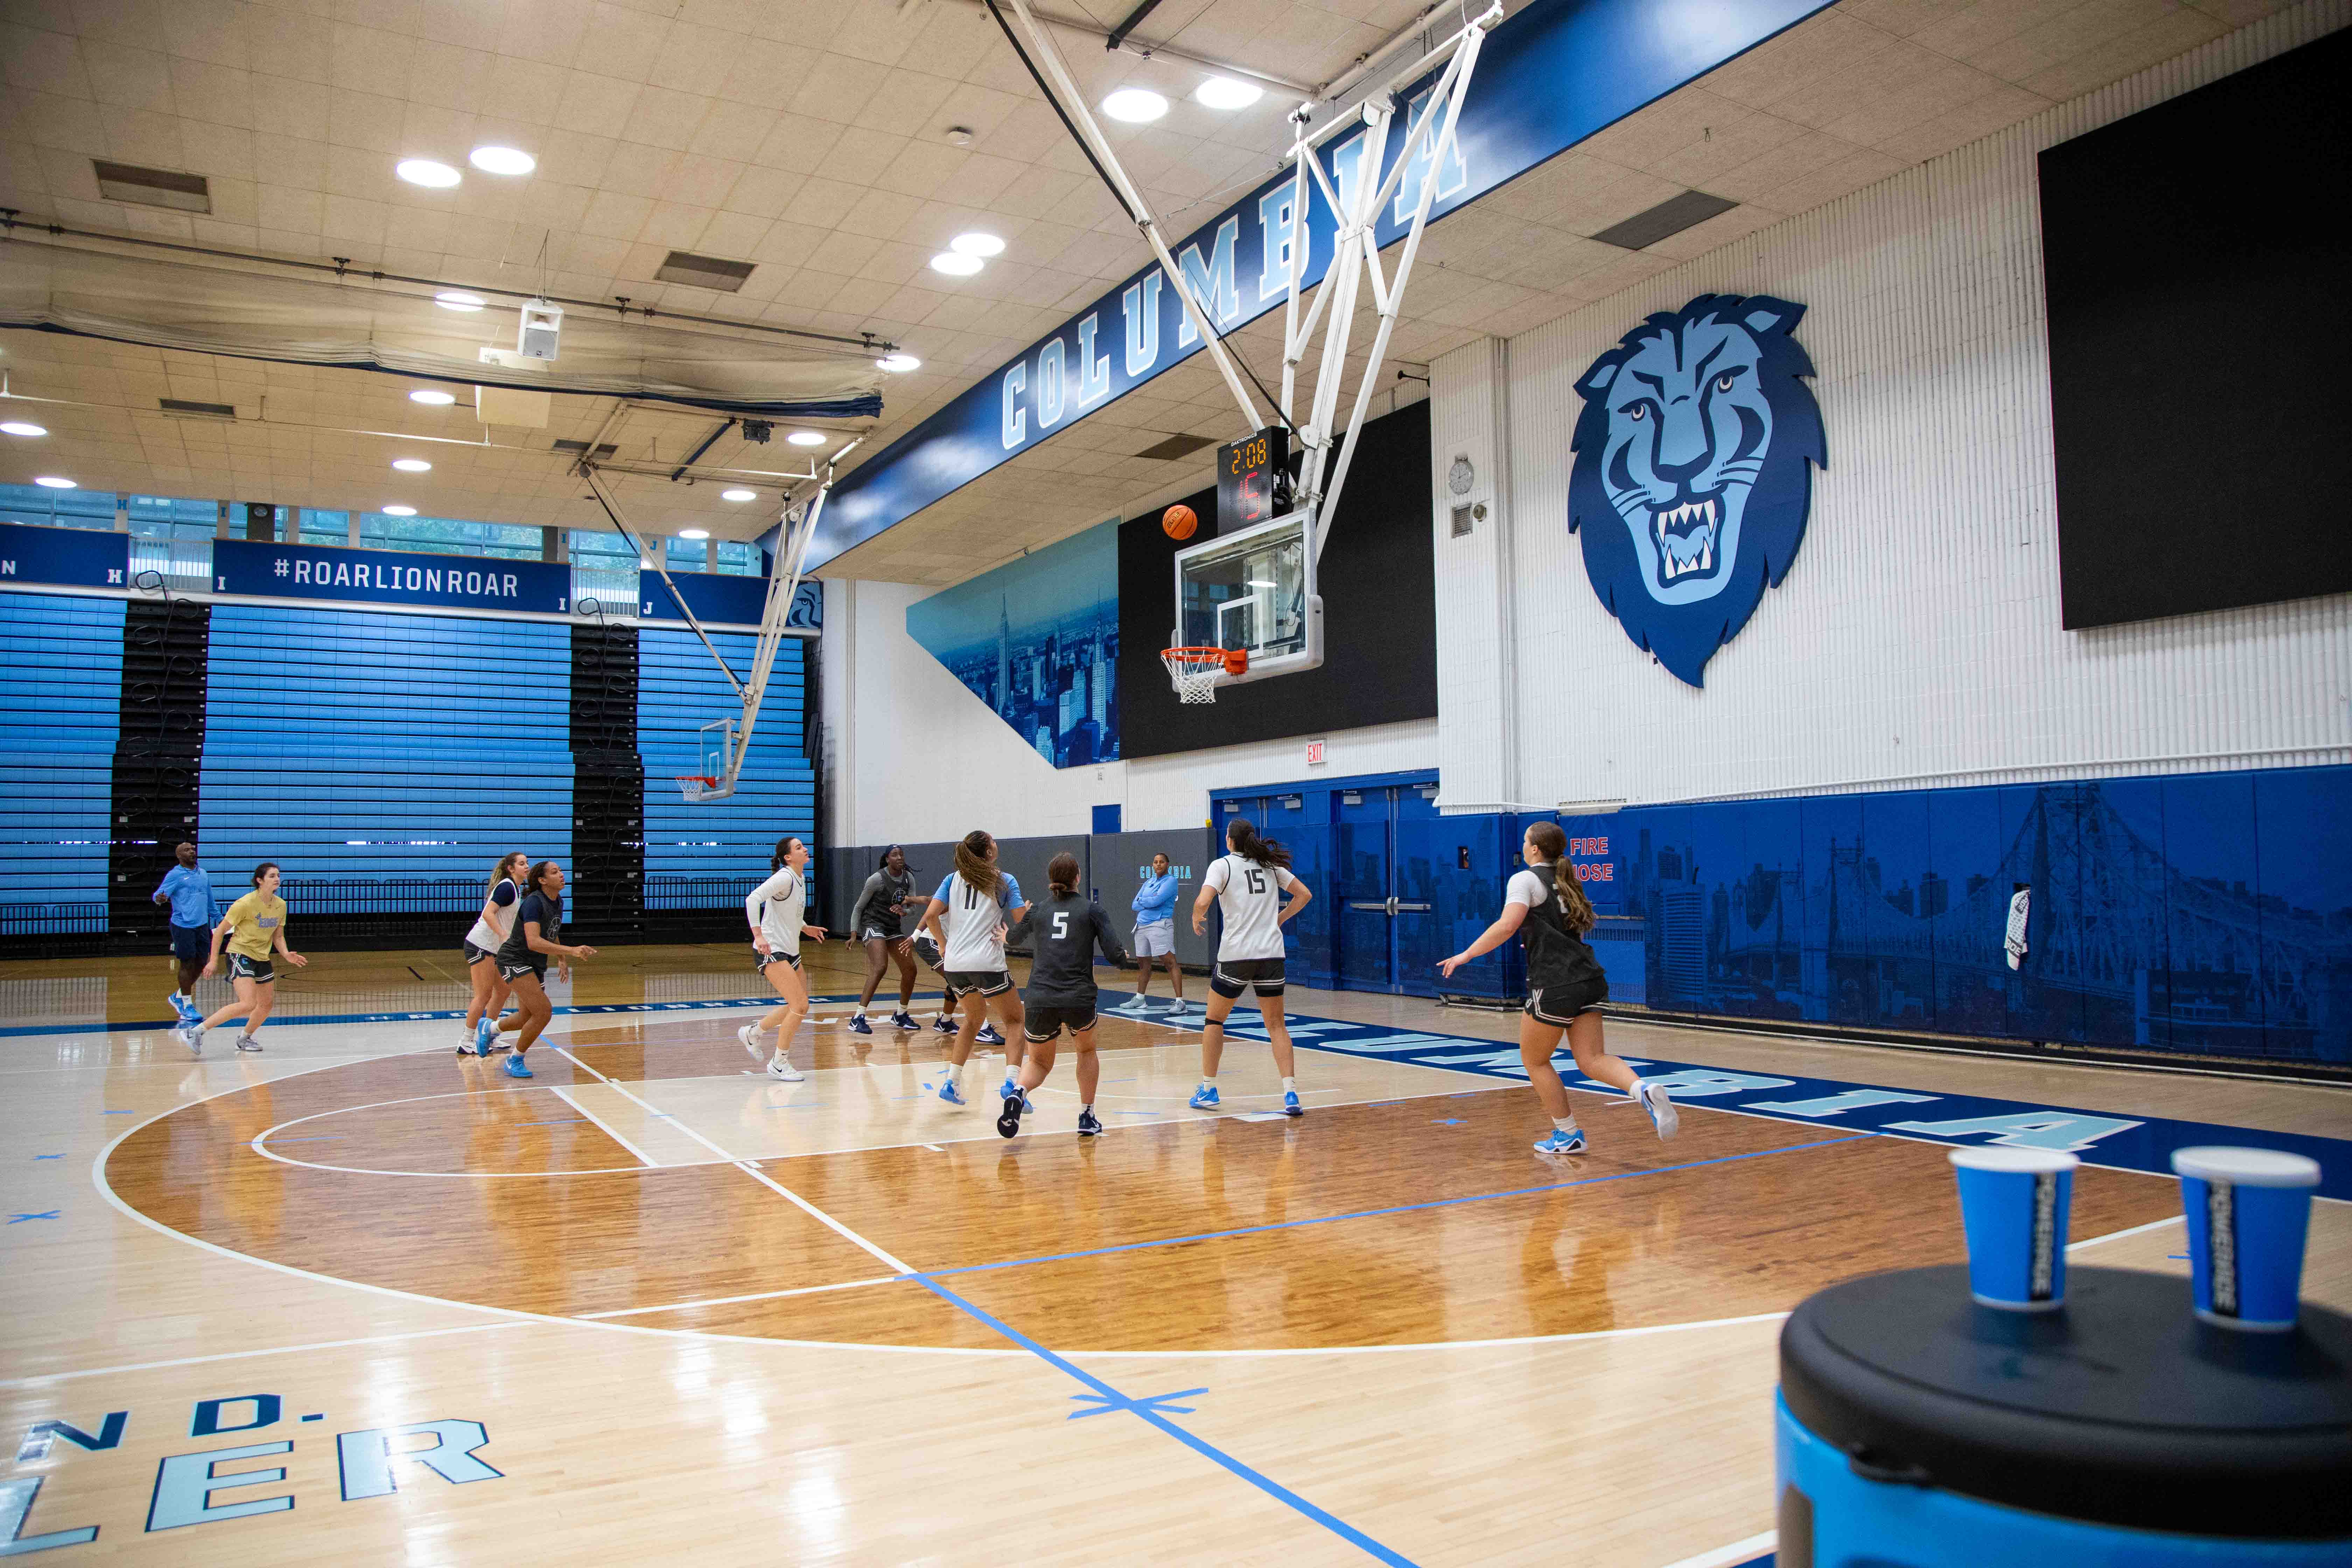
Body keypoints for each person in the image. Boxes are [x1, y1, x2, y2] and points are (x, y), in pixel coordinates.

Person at [1438, 821, 1677, 1154]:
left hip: (1554, 983)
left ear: (1535, 849)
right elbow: (1565, 932)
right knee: (1593, 1058)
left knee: (1535, 1061)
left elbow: (1508, 925)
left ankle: (1568, 1134)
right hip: (1590, 978)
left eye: (1525, 841)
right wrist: (1537, 941)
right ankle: (1642, 1088)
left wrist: (1466, 954)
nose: (1523, 846)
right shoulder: (1568, 880)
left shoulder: (1525, 878)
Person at [999, 852, 1132, 1139]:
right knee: (1086, 1051)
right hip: (1078, 997)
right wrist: (1125, 959)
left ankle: (1019, 1093)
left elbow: (1014, 938)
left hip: (1039, 998)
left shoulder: (1039, 910)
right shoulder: (1092, 910)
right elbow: (1113, 953)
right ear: (1078, 879)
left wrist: (1005, 937)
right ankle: (1087, 1115)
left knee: (1039, 1062)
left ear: (1051, 881)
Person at [1189, 819, 1314, 1116]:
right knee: (1277, 1026)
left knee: (1214, 1021)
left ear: (1230, 841)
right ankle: (1291, 1093)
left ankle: (1208, 1088)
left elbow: (1203, 900)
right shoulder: (1271, 866)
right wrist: (1281, 919)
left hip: (1236, 955)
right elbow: (1305, 895)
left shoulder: (1222, 866)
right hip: (1272, 954)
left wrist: (1196, 916)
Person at [918, 830, 1030, 1106]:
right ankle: (1012, 1085)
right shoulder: (1004, 881)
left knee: (972, 1020)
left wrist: (943, 946)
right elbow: (1020, 920)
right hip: (986, 963)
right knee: (1016, 1021)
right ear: (989, 853)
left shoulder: (951, 879)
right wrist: (1029, 912)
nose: (997, 842)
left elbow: (931, 915)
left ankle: (951, 1083)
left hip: (955, 964)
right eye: (994, 841)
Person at [179, 861, 307, 1055]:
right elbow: (220, 932)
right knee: (248, 1003)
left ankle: (244, 1038)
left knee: (266, 1004)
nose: (277, 879)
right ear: (260, 880)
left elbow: (278, 936)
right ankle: (195, 1032)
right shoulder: (245, 904)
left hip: (262, 957)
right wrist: (213, 960)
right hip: (240, 953)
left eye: (278, 876)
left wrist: (286, 954)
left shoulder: (280, 906)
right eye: (272, 876)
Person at [490, 860, 596, 1079]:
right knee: (544, 1012)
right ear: (542, 880)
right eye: (555, 872)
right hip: (514, 959)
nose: (562, 875)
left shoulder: (558, 901)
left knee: (524, 1017)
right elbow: (534, 942)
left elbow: (551, 930)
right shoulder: (533, 903)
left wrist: (562, 958)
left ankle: (490, 1029)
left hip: (535, 964)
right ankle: (515, 1060)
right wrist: (573, 950)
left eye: (561, 871)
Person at [738, 835, 827, 1081]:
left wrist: (805, 927)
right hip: (771, 949)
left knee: (795, 1005)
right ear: (788, 857)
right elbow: (752, 899)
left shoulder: (800, 877)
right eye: (799, 847)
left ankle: (753, 1032)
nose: (805, 849)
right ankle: (779, 1062)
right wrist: (759, 935)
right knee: (800, 1006)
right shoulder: (785, 876)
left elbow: (790, 912)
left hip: (791, 950)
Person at [846, 846, 920, 1035]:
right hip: (873, 924)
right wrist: (854, 933)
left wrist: (904, 911)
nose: (899, 858)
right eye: (894, 855)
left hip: (892, 928)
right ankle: (858, 1018)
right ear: (887, 860)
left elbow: (913, 909)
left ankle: (901, 1015)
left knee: (910, 969)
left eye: (901, 854)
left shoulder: (908, 878)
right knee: (880, 966)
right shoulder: (877, 880)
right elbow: (858, 907)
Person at [461, 851, 528, 1056]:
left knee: (503, 991)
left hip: (495, 948)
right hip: (481, 945)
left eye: (527, 863)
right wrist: (504, 936)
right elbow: (488, 913)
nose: (526, 867)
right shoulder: (507, 887)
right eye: (522, 864)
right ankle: (465, 1041)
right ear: (511, 868)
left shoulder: (516, 889)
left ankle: (487, 1035)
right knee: (484, 995)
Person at [152, 841, 219, 1028]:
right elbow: (159, 894)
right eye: (187, 850)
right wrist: (160, 898)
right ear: (179, 856)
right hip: (183, 926)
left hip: (202, 925)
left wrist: (219, 918)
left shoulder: (203, 874)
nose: (192, 852)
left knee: (202, 963)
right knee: (187, 963)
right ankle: (187, 1006)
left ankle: (178, 997)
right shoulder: (175, 875)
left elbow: (210, 899)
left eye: (193, 849)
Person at [1119, 852, 1186, 1014]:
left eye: (1161, 862)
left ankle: (1180, 1003)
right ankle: (1140, 999)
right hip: (1141, 926)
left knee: (1169, 961)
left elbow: (1157, 901)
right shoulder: (1149, 882)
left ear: (1167, 864)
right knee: (1143, 964)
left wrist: (1145, 902)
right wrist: (1147, 902)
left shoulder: (1171, 881)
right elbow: (1135, 905)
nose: (1158, 865)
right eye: (1156, 862)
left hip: (1160, 925)